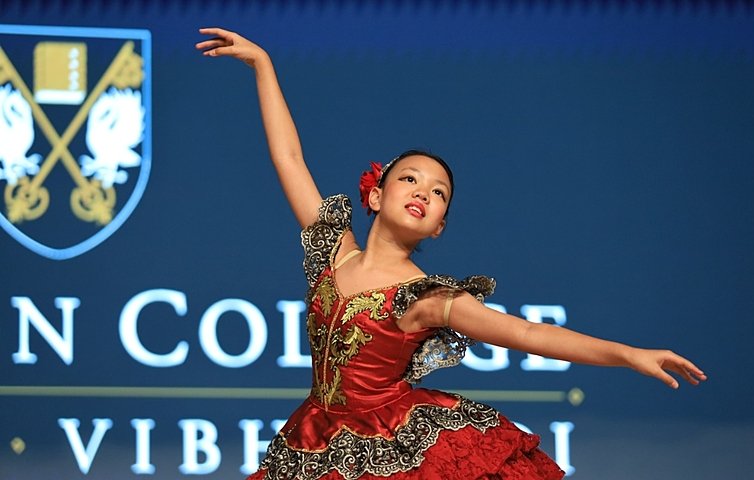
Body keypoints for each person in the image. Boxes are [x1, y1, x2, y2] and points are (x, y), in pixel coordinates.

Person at [196, 28, 707, 480]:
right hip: (312, 442)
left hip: (389, 448)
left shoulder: (425, 299)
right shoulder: (333, 251)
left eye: (439, 193)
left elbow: (530, 334)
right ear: (375, 195)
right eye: (410, 179)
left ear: (440, 226)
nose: (424, 192)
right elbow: (289, 158)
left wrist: (628, 355)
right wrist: (262, 64)